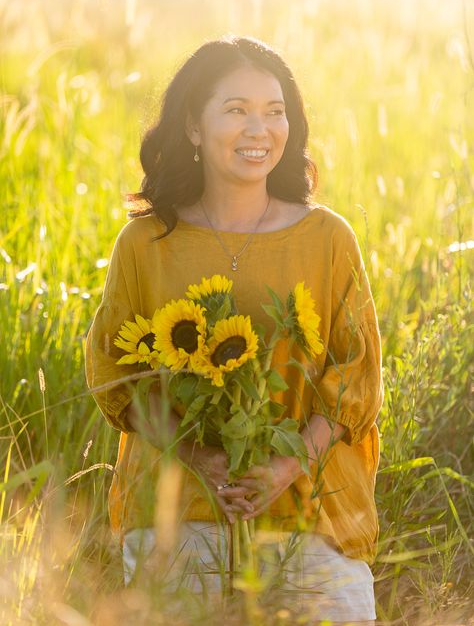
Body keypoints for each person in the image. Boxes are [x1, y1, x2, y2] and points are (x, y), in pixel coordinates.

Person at [85, 36, 383, 624]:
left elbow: (355, 378)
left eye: (275, 112)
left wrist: (286, 466)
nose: (260, 129)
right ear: (193, 127)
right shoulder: (145, 244)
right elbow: (116, 377)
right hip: (179, 511)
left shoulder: (327, 238)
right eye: (237, 109)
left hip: (309, 512)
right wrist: (198, 455)